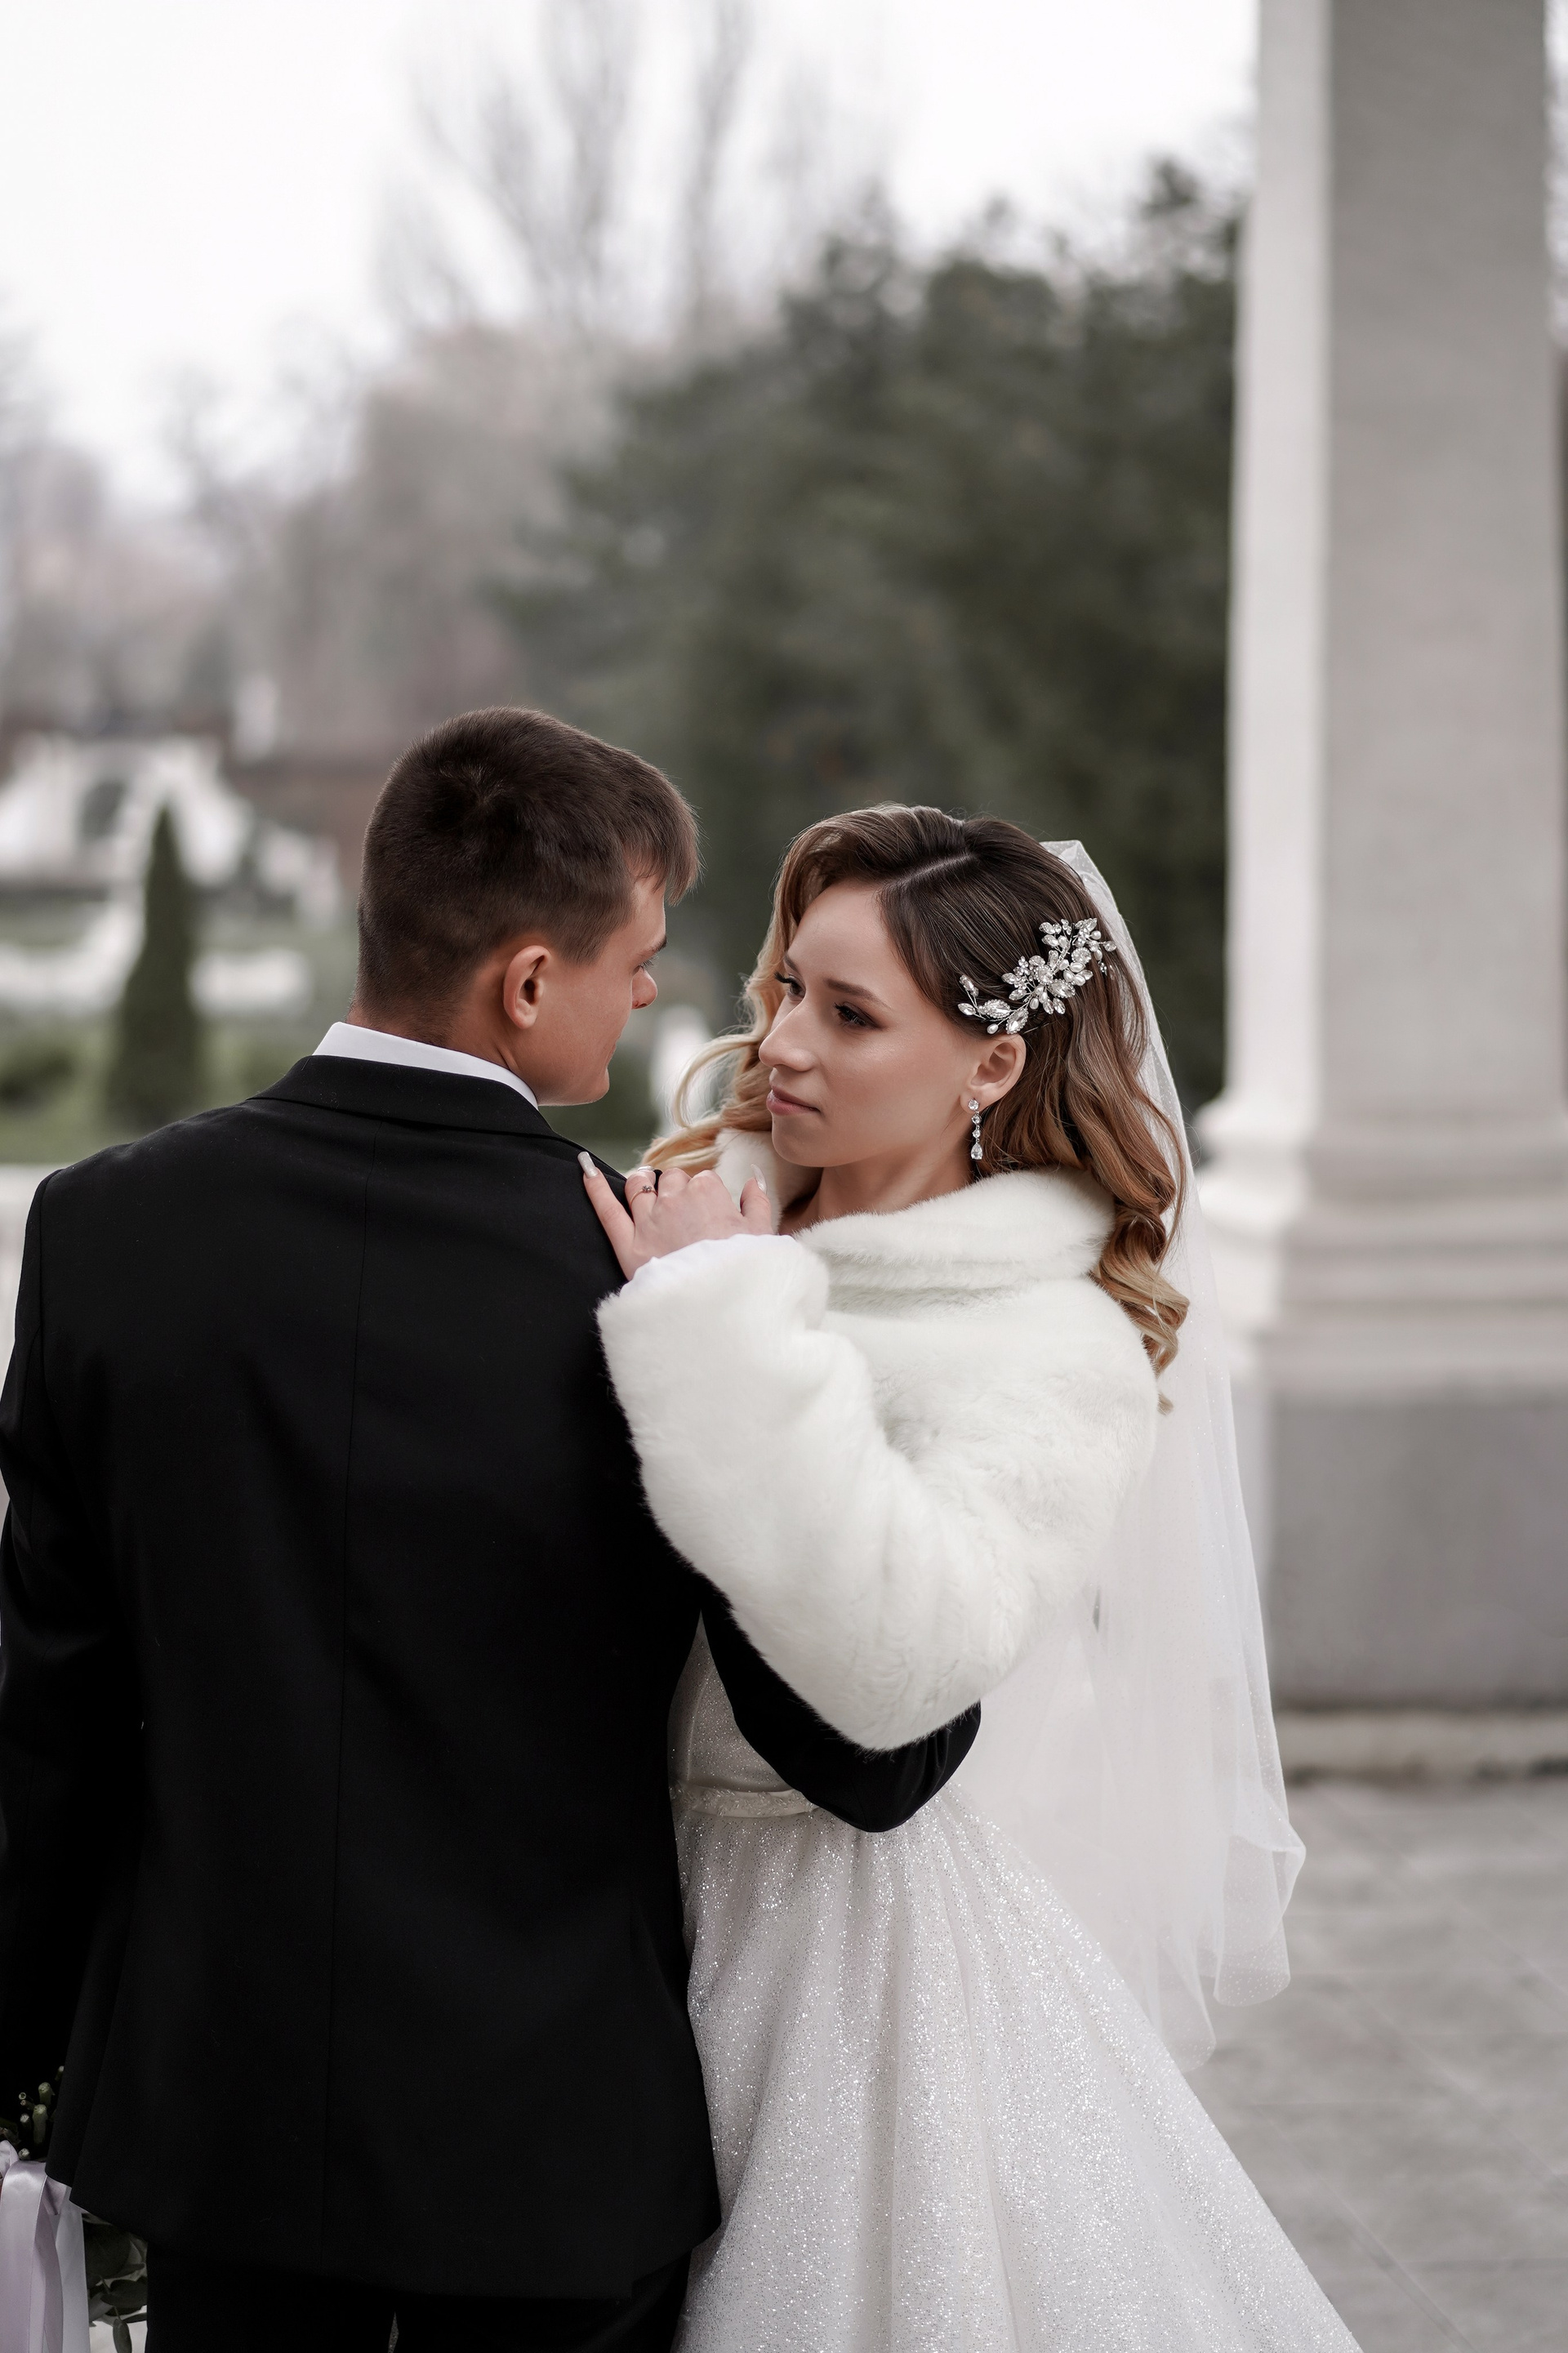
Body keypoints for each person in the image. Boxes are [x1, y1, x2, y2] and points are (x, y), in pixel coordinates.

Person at [0, 714, 975, 2353]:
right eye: (637, 960)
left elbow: (50, 1714)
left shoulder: (104, 1229)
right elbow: (871, 1762)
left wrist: (20, 2043)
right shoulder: (661, 1290)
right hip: (554, 2138)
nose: (650, 997)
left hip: (215, 2116)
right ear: (527, 982)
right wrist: (742, 1338)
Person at [582, 806, 1360, 2351]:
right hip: (579, 1909)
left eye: (850, 1014)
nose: (781, 1044)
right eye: (786, 989)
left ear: (991, 1065)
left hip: (828, 1953)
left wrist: (719, 1323)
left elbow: (894, 1665)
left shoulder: (1052, 1346)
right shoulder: (681, 1216)